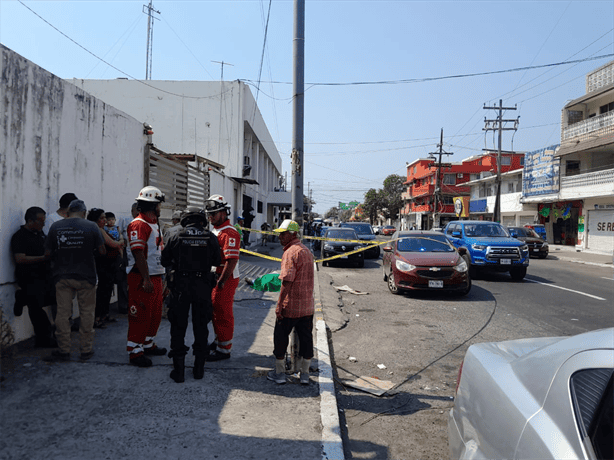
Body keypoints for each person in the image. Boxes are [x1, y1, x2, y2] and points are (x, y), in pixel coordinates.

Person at [161, 207, 221, 383]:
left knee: (178, 326)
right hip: (202, 286)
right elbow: (217, 261)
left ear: (185, 220)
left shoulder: (175, 236)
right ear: (203, 220)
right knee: (201, 326)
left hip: (180, 286)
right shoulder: (211, 237)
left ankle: (178, 371)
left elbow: (164, 260)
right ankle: (198, 369)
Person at [44, 200, 105, 362]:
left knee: (62, 314)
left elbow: (48, 253)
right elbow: (102, 251)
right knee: (87, 313)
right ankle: (86, 350)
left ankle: (64, 350)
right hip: (87, 276)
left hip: (62, 276)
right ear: (84, 212)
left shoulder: (56, 227)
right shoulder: (92, 226)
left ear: (68, 212)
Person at [267, 219, 315, 385]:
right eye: (280, 233)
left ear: (293, 234)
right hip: (307, 306)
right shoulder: (307, 251)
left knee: (280, 338)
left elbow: (287, 281)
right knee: (306, 340)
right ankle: (305, 374)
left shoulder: (290, 253)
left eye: (283, 233)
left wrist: (280, 305)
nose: (280, 236)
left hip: (291, 306)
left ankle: (280, 374)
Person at [125, 186, 168, 367]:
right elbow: (138, 253)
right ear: (152, 205)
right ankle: (135, 351)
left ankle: (148, 343)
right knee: (141, 313)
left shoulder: (152, 223)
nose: (160, 208)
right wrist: (146, 279)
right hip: (142, 277)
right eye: (159, 204)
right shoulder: (138, 224)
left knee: (155, 313)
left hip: (155, 275)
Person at [10, 207, 57, 348]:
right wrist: (43, 258)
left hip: (46, 275)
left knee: (51, 300)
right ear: (30, 221)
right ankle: (44, 338)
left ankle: (22, 296)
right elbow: (20, 259)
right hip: (29, 277)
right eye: (40, 221)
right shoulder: (19, 237)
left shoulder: (40, 234)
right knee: (36, 308)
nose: (43, 224)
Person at [205, 194, 240, 361]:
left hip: (225, 277)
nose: (211, 217)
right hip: (217, 276)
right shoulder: (217, 230)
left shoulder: (229, 232)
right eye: (209, 214)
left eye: (214, 214)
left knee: (222, 313)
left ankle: (224, 350)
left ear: (224, 213)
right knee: (215, 312)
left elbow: (232, 260)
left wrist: (222, 281)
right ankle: (219, 341)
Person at [87, 208, 123, 328]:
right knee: (103, 291)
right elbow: (114, 244)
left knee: (107, 290)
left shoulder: (102, 229)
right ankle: (98, 317)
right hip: (103, 265)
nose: (105, 220)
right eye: (102, 218)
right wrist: (121, 240)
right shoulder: (98, 230)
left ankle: (104, 314)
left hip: (109, 264)